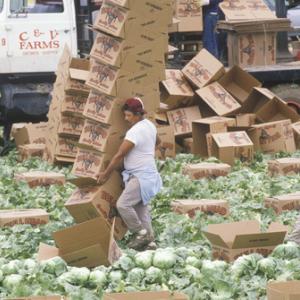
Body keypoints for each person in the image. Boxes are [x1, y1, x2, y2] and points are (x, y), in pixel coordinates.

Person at [97, 97, 162, 251]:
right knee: (141, 210)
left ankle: (140, 233)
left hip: (141, 176)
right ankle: (150, 243)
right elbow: (158, 142)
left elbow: (119, 155)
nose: (126, 119)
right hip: (149, 174)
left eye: (129, 116)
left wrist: (105, 174)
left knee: (123, 204)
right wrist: (146, 153)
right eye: (125, 115)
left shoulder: (135, 131)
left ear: (138, 114)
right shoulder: (149, 125)